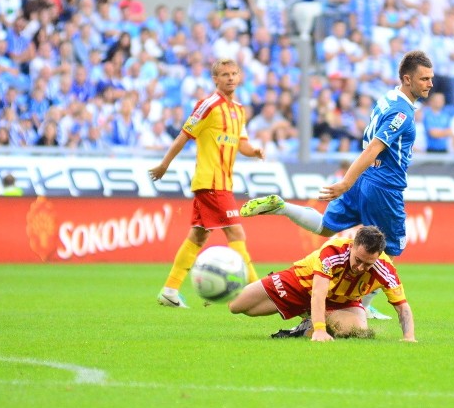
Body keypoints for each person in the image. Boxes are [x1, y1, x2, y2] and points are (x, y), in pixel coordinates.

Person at [240, 50, 434, 319]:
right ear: (407, 79)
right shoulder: (402, 114)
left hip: (365, 180)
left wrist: (352, 182)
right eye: (424, 79)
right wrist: (345, 182)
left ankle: (283, 207)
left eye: (430, 78)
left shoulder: (388, 98)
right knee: (388, 249)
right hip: (384, 186)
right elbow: (374, 148)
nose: (430, 84)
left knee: (326, 226)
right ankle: (361, 307)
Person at [148, 58, 265, 308]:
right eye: (225, 74)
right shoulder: (208, 105)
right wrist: (164, 164)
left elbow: (241, 142)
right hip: (211, 182)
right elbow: (184, 135)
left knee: (198, 237)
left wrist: (253, 151)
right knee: (236, 232)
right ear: (215, 79)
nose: (231, 78)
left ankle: (170, 289)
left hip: (223, 182)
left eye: (234, 73)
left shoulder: (239, 109)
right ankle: (259, 290)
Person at [229, 225, 416, 342]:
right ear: (351, 246)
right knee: (237, 306)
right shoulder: (333, 251)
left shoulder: (384, 268)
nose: (360, 267)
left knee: (358, 331)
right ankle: (311, 319)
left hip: (341, 302)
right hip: (300, 285)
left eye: (368, 264)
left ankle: (305, 328)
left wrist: (409, 338)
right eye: (358, 260)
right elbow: (318, 293)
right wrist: (320, 331)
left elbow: (403, 307)